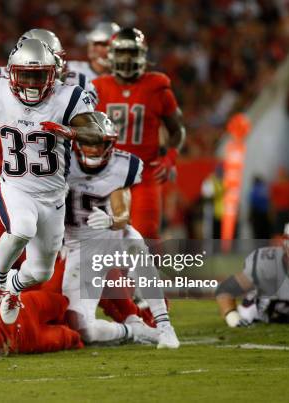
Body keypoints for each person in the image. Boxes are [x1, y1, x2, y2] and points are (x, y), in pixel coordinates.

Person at [0, 39, 105, 325]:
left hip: (54, 195)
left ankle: (13, 287)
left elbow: (99, 134)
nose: (32, 82)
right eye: (26, 74)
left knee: (40, 272)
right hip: (16, 186)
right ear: (11, 73)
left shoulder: (69, 97)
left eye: (39, 75)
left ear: (53, 73)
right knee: (21, 228)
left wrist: (68, 132)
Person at [62, 111, 179, 348]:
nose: (93, 149)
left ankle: (165, 326)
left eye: (98, 143)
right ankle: (135, 331)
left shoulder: (123, 165)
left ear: (110, 143)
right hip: (79, 249)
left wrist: (111, 221)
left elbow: (122, 213)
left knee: (134, 242)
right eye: (87, 143)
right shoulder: (62, 162)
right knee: (83, 329)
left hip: (114, 237)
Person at [93, 27, 186, 239]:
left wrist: (170, 156)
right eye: (122, 52)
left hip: (145, 174)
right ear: (112, 56)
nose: (126, 58)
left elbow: (177, 129)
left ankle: (148, 271)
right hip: (107, 175)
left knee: (146, 235)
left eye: (132, 53)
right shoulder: (97, 88)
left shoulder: (157, 86)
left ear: (142, 54)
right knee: (104, 240)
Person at [216, 214, 289, 328]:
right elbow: (225, 289)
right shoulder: (266, 263)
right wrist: (233, 317)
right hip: (258, 320)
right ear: (286, 243)